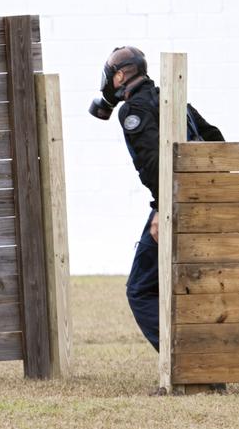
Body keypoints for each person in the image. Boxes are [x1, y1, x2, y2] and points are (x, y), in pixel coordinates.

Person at [89, 46, 224, 353]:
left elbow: (153, 165)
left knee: (140, 289)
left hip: (175, 206)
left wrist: (163, 211)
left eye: (112, 76)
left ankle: (186, 359)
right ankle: (204, 361)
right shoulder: (172, 98)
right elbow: (215, 139)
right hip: (205, 201)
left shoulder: (133, 110)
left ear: (121, 75)